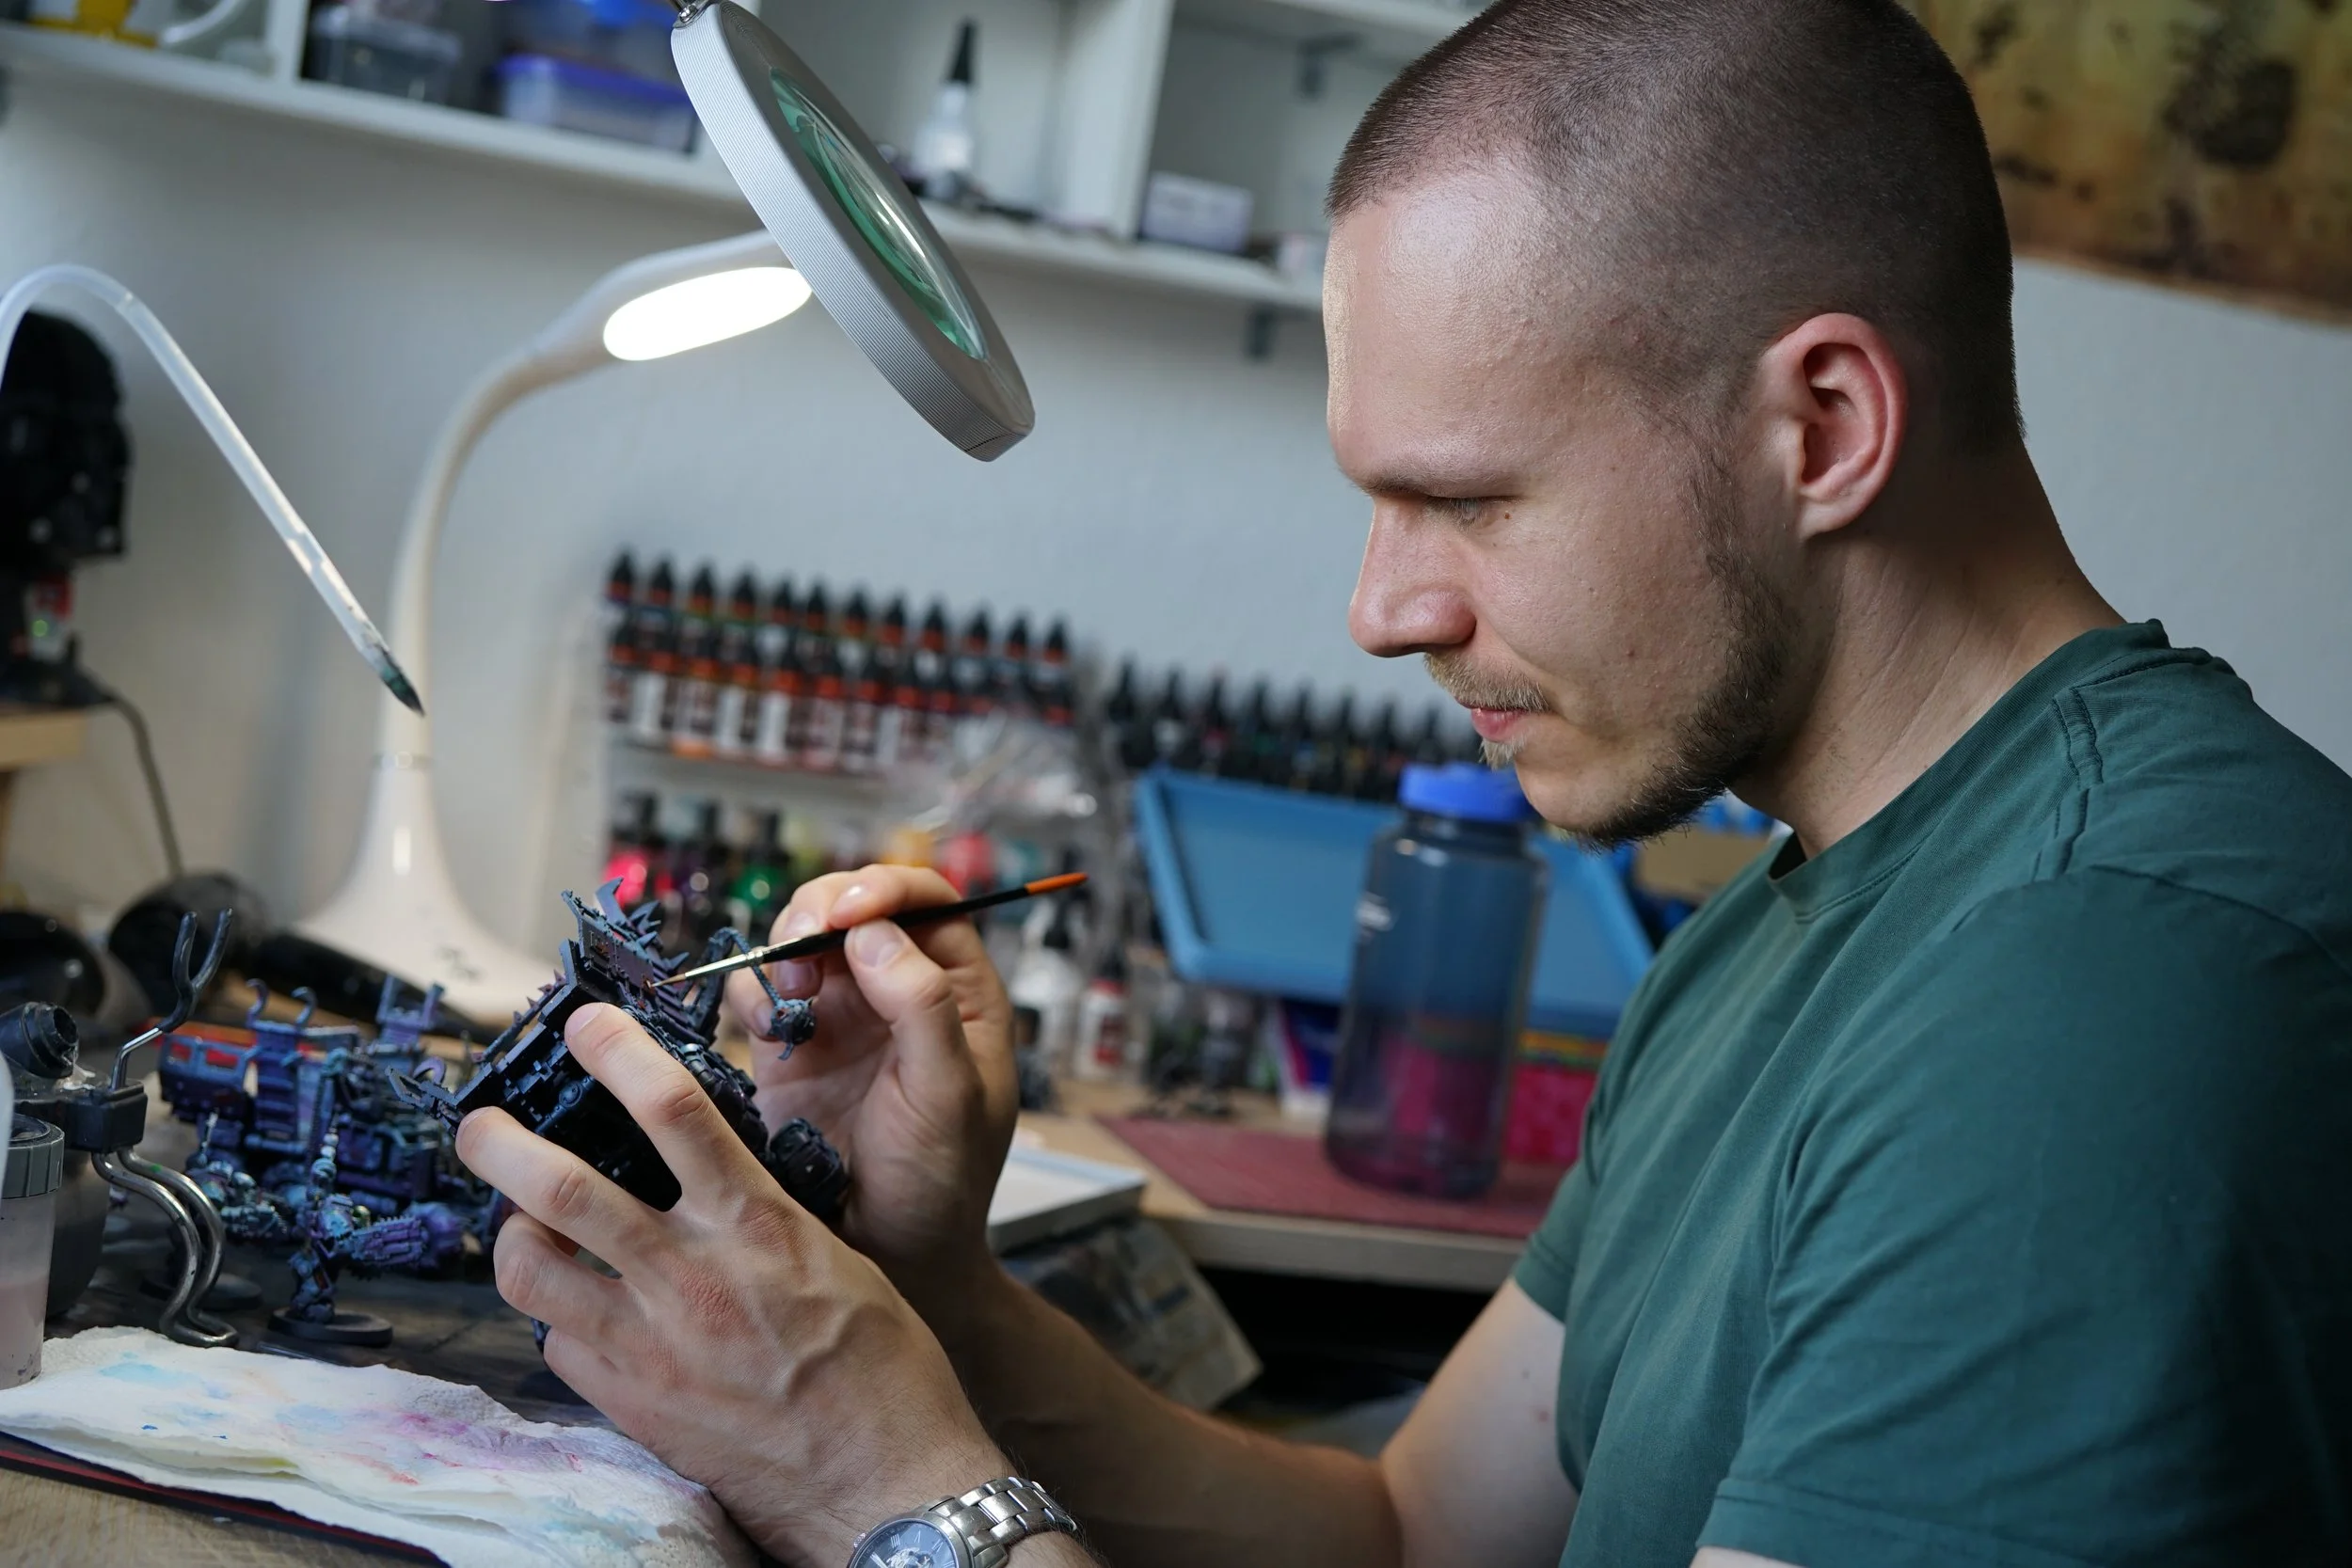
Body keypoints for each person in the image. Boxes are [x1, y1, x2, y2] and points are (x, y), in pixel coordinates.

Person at [456, 1, 2352, 1564]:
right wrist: (927, 1298)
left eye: (1461, 497)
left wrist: (891, 1494)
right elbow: (1405, 1538)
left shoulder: (2102, 993)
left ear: (1824, 428)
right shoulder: (1776, 925)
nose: (1380, 609)